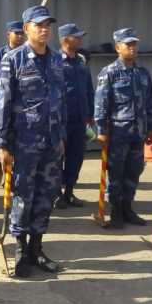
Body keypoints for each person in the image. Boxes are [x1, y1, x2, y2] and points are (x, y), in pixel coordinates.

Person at [0, 5, 65, 278]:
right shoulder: (13, 60)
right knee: (23, 196)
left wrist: (62, 137)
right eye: (39, 25)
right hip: (23, 143)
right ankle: (21, 251)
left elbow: (61, 101)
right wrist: (2, 144)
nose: (44, 29)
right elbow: (2, 104)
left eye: (48, 24)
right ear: (26, 29)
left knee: (46, 196)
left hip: (51, 142)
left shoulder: (57, 60)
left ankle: (37, 248)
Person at [95, 27, 152, 228]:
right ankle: (116, 212)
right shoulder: (109, 73)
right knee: (116, 173)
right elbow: (102, 103)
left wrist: (151, 127)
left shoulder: (142, 73)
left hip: (138, 132)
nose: (132, 48)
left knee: (134, 171)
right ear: (118, 47)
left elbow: (149, 102)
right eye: (128, 44)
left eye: (134, 44)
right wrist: (101, 130)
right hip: (118, 133)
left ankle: (128, 207)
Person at [55, 23, 94, 209]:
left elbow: (88, 88)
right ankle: (56, 194)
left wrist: (90, 114)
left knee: (76, 156)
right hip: (62, 119)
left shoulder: (81, 61)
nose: (80, 39)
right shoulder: (55, 61)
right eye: (76, 36)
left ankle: (69, 192)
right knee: (57, 158)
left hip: (80, 118)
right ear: (65, 39)